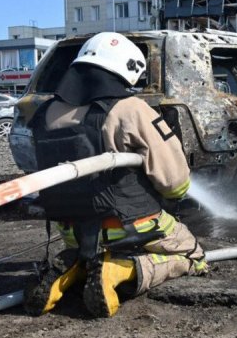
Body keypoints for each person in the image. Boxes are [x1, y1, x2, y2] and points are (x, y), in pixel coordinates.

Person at [24, 32, 206, 318]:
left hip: (72, 229)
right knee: (192, 254)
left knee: (89, 248)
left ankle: (75, 267)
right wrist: (174, 198)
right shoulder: (129, 109)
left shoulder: (44, 112)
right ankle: (121, 270)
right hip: (131, 223)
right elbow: (174, 179)